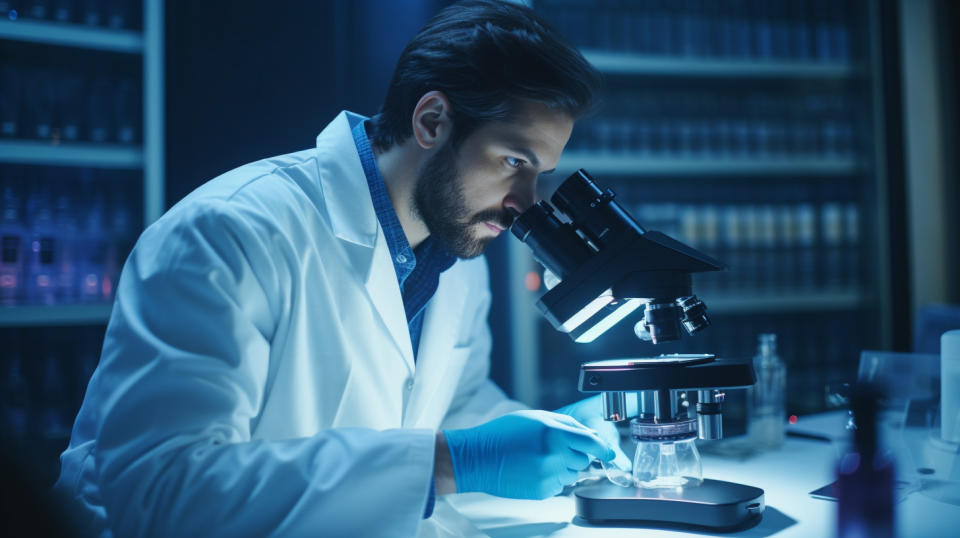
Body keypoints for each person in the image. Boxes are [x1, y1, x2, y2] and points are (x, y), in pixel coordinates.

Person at [55, 1, 628, 535]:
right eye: (513, 161)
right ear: (431, 122)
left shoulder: (456, 256)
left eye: (540, 174)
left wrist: (557, 438)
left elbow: (449, 410)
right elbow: (160, 492)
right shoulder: (228, 232)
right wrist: (456, 462)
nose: (526, 202)